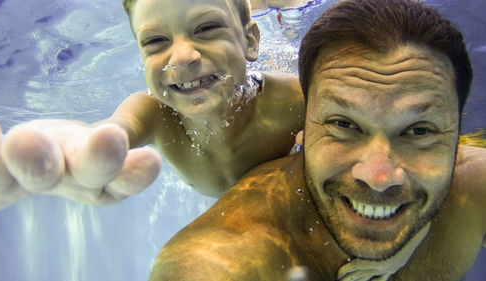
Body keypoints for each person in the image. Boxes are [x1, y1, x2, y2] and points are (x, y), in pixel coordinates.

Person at [149, 0, 486, 280]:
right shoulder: (223, 263)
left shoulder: (474, 188)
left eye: (419, 131)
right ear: (304, 129)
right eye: (343, 124)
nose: (379, 178)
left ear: (456, 136)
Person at [0, 0, 305, 211]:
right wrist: (70, 148)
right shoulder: (154, 114)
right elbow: (112, 131)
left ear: (250, 41)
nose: (182, 57)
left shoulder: (296, 100)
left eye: (206, 28)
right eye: (155, 41)